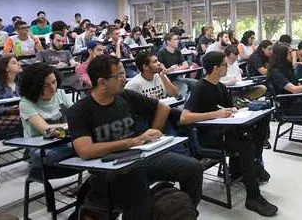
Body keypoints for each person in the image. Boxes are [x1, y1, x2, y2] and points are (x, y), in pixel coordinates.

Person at [67, 55, 203, 219]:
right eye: (119, 76)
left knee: (193, 167)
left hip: (140, 155)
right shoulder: (79, 110)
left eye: (123, 74)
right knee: (137, 185)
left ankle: (187, 213)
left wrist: (154, 131)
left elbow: (163, 108)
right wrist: (132, 141)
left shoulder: (125, 96)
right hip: (110, 167)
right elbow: (85, 151)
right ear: (102, 82)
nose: (124, 79)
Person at [180, 51, 278, 217]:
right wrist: (215, 114)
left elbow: (227, 108)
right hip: (209, 138)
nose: (228, 67)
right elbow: (184, 118)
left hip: (224, 130)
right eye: (225, 65)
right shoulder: (200, 87)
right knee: (246, 145)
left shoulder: (220, 86)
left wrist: (233, 109)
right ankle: (252, 196)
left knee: (259, 127)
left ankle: (249, 168)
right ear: (216, 68)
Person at [19, 63, 74, 175]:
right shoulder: (26, 103)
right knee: (81, 149)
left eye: (54, 82)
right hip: (40, 150)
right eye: (46, 85)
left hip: (63, 142)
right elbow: (46, 129)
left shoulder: (60, 93)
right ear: (34, 86)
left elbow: (77, 114)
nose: (53, 88)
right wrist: (71, 125)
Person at [0, 55, 22, 136]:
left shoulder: (19, 83)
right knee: (29, 119)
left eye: (17, 62)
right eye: (14, 63)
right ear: (6, 68)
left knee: (32, 117)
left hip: (18, 115)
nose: (18, 64)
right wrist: (8, 110)